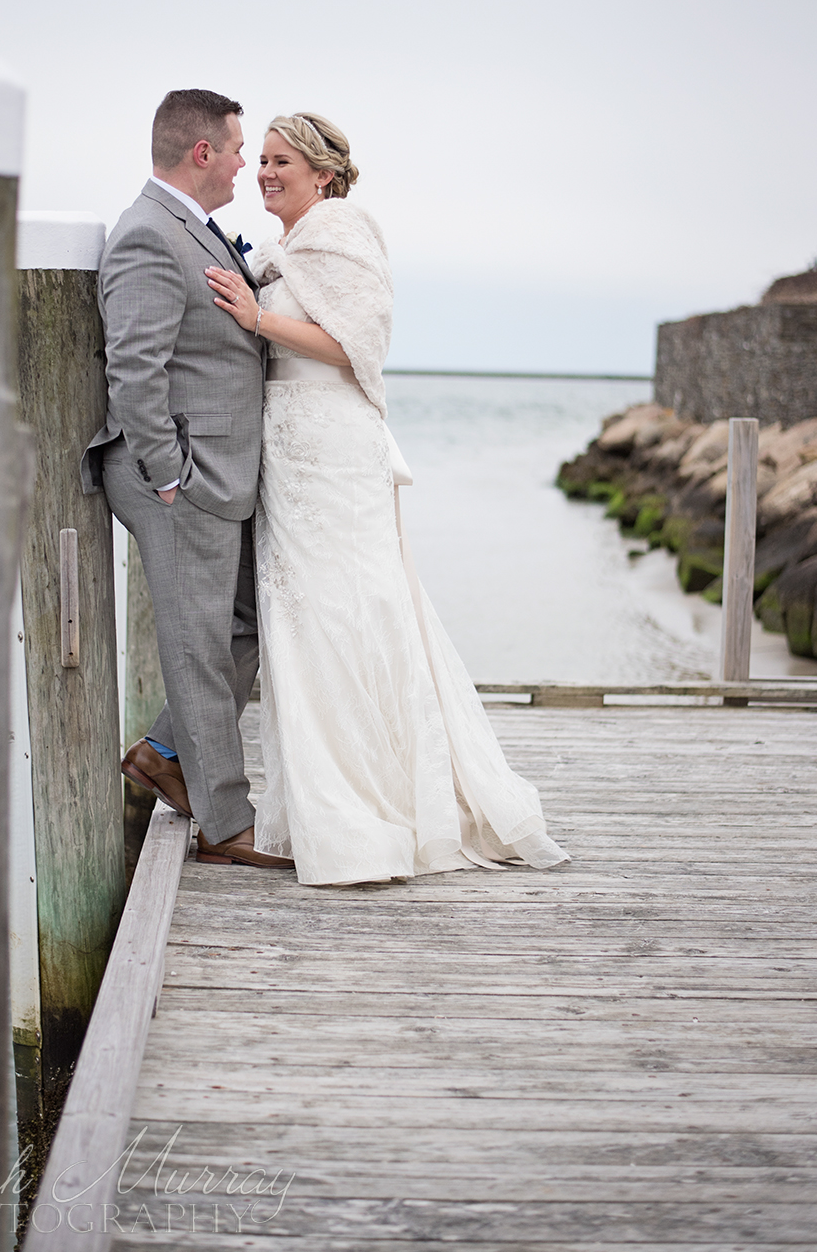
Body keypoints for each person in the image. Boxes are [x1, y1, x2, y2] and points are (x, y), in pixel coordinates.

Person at [205, 112, 571, 885]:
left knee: (350, 611)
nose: (265, 173)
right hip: (291, 453)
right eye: (261, 160)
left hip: (333, 450)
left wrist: (257, 318)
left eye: (281, 162)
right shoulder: (291, 244)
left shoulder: (343, 230)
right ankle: (322, 805)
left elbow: (357, 347)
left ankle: (375, 809)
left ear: (324, 174)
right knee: (300, 624)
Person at [82, 89, 293, 869]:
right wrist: (169, 475)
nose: (246, 163)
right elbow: (135, 369)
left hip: (215, 470)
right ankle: (224, 822)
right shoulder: (146, 234)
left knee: (244, 627)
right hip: (179, 474)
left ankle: (163, 751)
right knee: (201, 643)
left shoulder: (192, 227)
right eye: (238, 149)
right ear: (201, 152)